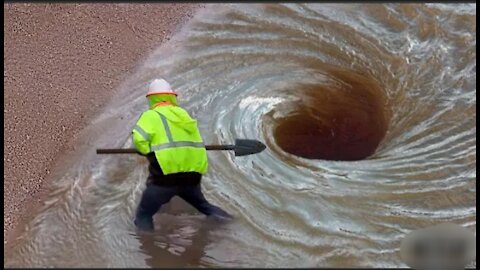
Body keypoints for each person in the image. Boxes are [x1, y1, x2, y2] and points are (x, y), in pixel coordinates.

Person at [132, 78, 231, 231]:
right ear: (171, 96)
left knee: (143, 216)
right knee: (205, 207)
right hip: (192, 177)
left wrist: (147, 151)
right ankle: (233, 224)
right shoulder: (183, 114)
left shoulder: (150, 115)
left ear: (151, 98)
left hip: (165, 179)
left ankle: (150, 251)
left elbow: (139, 139)